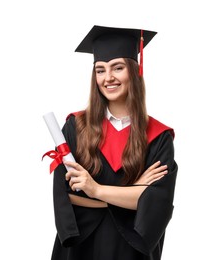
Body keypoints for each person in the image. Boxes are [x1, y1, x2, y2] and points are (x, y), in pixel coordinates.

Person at [49, 25, 178, 260]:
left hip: (129, 250)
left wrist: (95, 190)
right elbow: (65, 195)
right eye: (100, 70)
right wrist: (132, 195)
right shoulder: (75, 127)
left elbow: (157, 206)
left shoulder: (159, 137)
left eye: (117, 68)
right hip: (80, 249)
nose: (108, 77)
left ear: (134, 71)